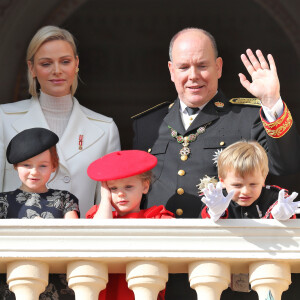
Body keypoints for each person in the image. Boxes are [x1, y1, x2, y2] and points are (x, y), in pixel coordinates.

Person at [131, 27, 300, 299]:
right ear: (171, 70)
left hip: (224, 268)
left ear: (219, 67)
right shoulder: (147, 124)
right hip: (159, 269)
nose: (193, 75)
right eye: (184, 67)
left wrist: (271, 102)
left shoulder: (247, 117)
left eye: (202, 65)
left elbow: (286, 165)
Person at [0, 25, 120, 218]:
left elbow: (110, 205)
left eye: (65, 61)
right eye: (46, 64)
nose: (57, 71)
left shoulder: (104, 129)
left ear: (76, 64)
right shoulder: (3, 119)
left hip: (77, 244)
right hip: (15, 244)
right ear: (31, 68)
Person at [0, 127, 79, 299]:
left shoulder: (65, 199)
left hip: (57, 282)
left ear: (53, 166)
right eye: (26, 165)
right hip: (14, 280)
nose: (34, 172)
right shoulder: (2, 201)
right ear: (15, 166)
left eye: (42, 165)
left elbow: (73, 237)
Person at [86, 150, 174, 300]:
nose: (120, 193)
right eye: (113, 188)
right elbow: (100, 233)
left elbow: (172, 235)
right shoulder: (100, 215)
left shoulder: (154, 216)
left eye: (128, 187)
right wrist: (105, 200)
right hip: (107, 291)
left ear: (145, 186)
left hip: (142, 290)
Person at [200, 141, 299, 221]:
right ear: (222, 181)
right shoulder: (214, 199)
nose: (246, 191)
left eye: (253, 184)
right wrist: (215, 212)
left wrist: (281, 217)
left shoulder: (275, 198)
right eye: (237, 185)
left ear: (263, 179)